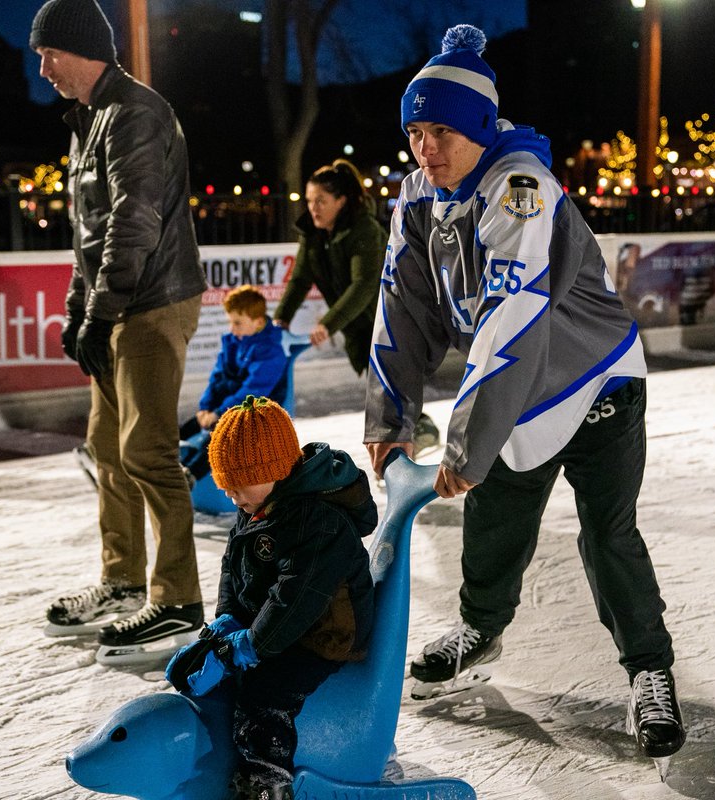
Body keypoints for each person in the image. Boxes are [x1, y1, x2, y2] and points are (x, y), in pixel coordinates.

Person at [362, 24, 684, 770]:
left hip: (596, 379)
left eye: (441, 132)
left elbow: (513, 317)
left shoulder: (520, 187)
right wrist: (391, 415)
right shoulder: (418, 197)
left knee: (608, 536)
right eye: (414, 133)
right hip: (515, 394)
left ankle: (649, 671)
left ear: (479, 127)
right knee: (494, 522)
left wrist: (467, 440)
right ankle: (481, 628)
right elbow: (400, 309)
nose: (425, 149)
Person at [31, 0, 209, 657]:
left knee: (147, 451)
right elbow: (91, 233)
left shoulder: (135, 112)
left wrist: (100, 310)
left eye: (49, 54)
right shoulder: (88, 121)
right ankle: (123, 582)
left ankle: (178, 600)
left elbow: (134, 223)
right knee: (107, 448)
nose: (44, 69)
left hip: (152, 303)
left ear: (82, 48)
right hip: (119, 303)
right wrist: (79, 308)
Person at [164, 396, 377, 800]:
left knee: (264, 691)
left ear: (272, 471)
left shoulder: (317, 521)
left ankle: (267, 778)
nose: (231, 497)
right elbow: (233, 567)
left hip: (324, 633)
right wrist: (226, 621)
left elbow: (296, 599)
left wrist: (249, 646)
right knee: (202, 668)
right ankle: (210, 757)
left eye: (238, 485)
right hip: (276, 623)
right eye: (226, 487)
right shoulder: (259, 503)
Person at [273, 159, 440, 454]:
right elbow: (300, 279)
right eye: (309, 201)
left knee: (390, 384)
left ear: (340, 201)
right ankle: (411, 433)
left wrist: (328, 324)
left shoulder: (364, 230)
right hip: (357, 325)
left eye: (321, 201)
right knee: (380, 388)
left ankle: (419, 432)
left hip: (390, 318)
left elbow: (363, 285)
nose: (313, 208)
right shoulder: (313, 234)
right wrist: (281, 319)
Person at [178, 285, 289, 485]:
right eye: (230, 322)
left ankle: (189, 474)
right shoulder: (234, 341)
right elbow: (217, 376)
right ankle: (160, 458)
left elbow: (253, 391)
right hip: (227, 405)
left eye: (237, 323)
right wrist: (206, 408)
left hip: (255, 410)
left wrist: (219, 412)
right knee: (190, 426)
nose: (232, 328)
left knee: (220, 436)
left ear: (258, 322)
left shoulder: (271, 352)